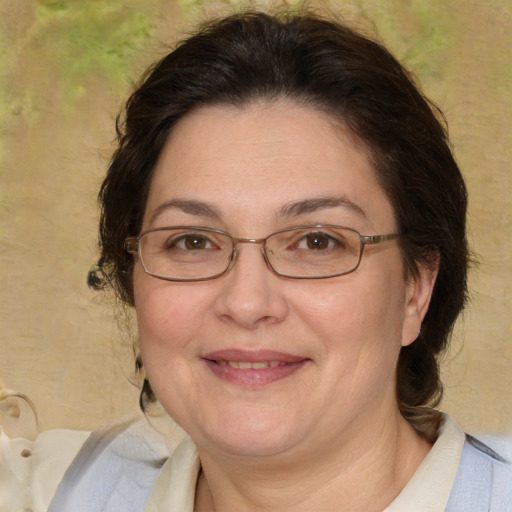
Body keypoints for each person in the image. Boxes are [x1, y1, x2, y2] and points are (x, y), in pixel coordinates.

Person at [47, 9, 511, 512]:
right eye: (193, 241)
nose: (246, 303)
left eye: (317, 242)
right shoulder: (49, 491)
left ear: (415, 289)